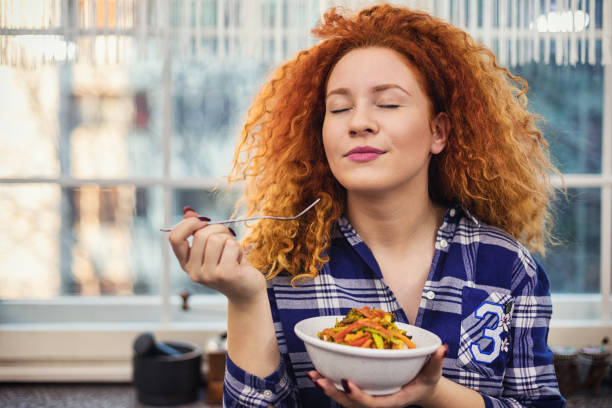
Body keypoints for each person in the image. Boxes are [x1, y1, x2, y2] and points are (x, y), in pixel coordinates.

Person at [169, 4, 566, 407]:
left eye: (388, 104)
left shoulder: (507, 266)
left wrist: (431, 392)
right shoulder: (281, 268)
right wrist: (245, 300)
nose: (358, 122)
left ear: (439, 131)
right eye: (339, 108)